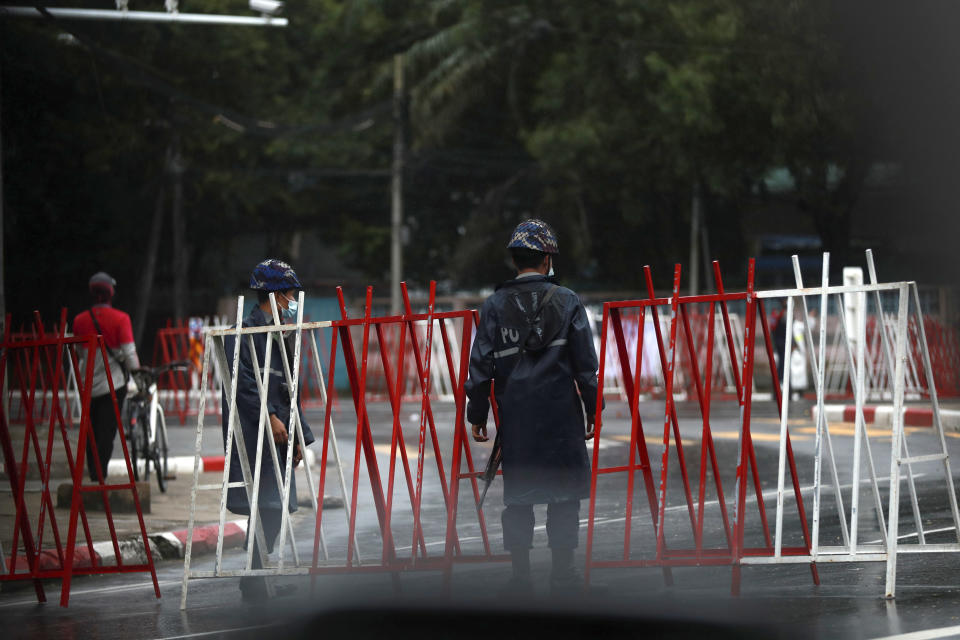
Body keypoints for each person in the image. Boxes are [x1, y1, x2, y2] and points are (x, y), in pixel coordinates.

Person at [465, 219, 601, 594]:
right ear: (546, 260)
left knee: (520, 499)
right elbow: (586, 367)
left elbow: (481, 368)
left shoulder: (494, 305)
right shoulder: (568, 301)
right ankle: (562, 574)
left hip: (517, 419)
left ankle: (521, 578)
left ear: (515, 261)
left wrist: (477, 415)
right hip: (561, 416)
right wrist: (593, 411)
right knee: (563, 496)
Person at [222, 258, 315, 601]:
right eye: (289, 296)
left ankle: (255, 577)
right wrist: (269, 417)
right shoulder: (243, 333)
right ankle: (255, 580)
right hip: (252, 432)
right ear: (275, 296)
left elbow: (289, 389)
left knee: (276, 507)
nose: (292, 304)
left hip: (277, 434)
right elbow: (244, 385)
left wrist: (299, 436)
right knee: (266, 506)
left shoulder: (281, 336)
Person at [72, 272, 141, 482]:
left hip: (88, 384)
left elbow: (78, 353)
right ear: (111, 293)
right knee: (107, 432)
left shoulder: (79, 320)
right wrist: (139, 380)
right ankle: (100, 475)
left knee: (90, 431)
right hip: (114, 385)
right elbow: (129, 354)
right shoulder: (121, 319)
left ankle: (94, 473)